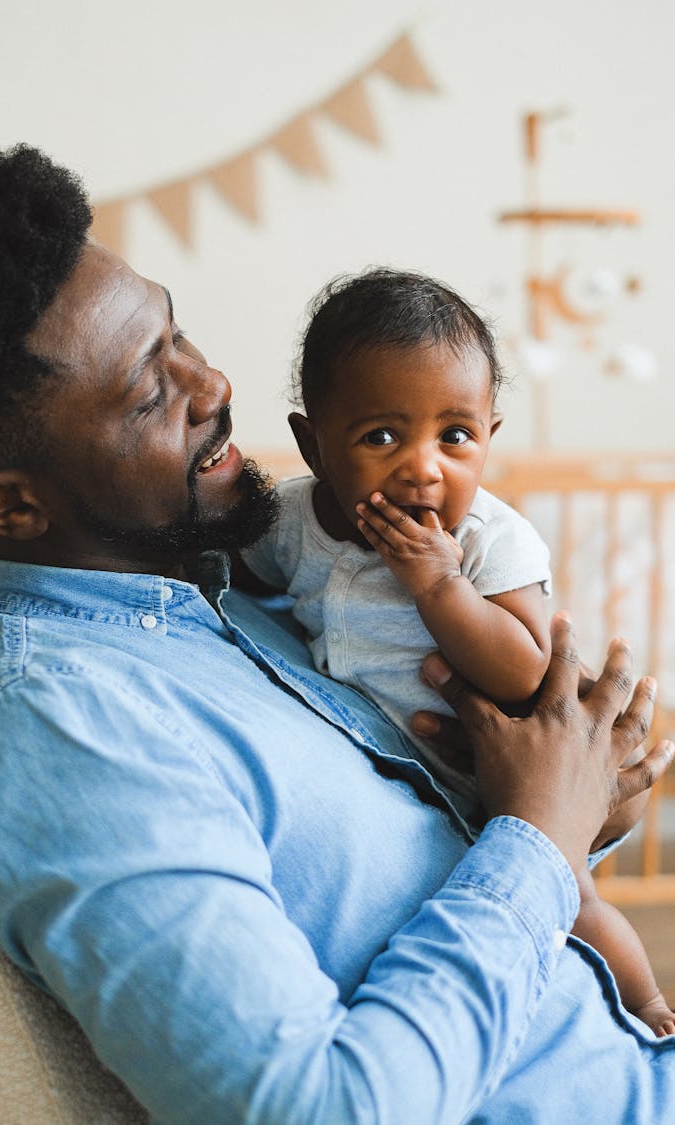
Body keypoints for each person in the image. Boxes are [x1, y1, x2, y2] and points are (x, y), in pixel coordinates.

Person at [0, 144, 673, 1124]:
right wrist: (537, 837)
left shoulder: (229, 594)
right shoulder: (70, 736)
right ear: (10, 506)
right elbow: (321, 1110)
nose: (213, 381)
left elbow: (451, 814)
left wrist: (572, 802)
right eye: (150, 390)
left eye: (178, 333)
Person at [238, 268, 675, 1038]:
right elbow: (250, 572)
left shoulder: (485, 542)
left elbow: (527, 669)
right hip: (415, 788)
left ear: (488, 440)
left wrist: (439, 587)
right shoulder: (294, 520)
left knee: (570, 899)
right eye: (381, 436)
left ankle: (647, 1006)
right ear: (314, 442)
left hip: (516, 783)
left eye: (456, 436)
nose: (424, 466)